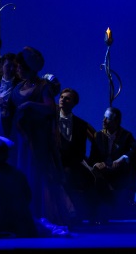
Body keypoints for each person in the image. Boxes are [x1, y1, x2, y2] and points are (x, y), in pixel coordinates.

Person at [8, 46, 73, 225]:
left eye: (20, 66)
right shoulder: (18, 86)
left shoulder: (42, 87)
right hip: (20, 136)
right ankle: (21, 213)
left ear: (29, 67)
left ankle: (39, 212)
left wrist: (30, 105)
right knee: (20, 170)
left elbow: (50, 109)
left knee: (35, 172)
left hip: (36, 138)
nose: (17, 69)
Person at [89, 106, 136, 215]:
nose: (103, 121)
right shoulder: (98, 136)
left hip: (119, 174)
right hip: (102, 174)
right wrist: (96, 164)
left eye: (107, 118)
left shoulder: (125, 136)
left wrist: (123, 158)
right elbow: (92, 158)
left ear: (116, 121)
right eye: (104, 117)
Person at [57, 88, 95, 217]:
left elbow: (81, 149)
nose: (63, 100)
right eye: (61, 97)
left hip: (73, 163)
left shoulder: (81, 124)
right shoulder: (51, 120)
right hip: (54, 162)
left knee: (91, 178)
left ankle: (87, 214)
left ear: (74, 103)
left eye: (67, 98)